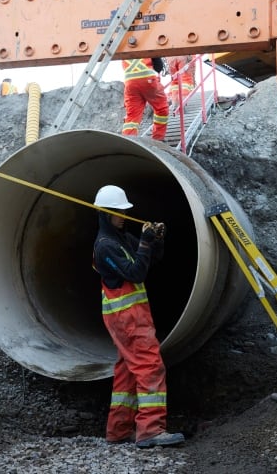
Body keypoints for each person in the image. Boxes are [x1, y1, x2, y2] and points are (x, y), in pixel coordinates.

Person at [91, 185, 185, 449]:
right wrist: (144, 242)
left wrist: (156, 241)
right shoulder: (105, 246)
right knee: (149, 366)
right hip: (126, 318)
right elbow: (135, 274)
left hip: (129, 316)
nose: (123, 216)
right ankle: (151, 430)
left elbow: (150, 260)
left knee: (128, 371)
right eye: (118, 212)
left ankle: (119, 429)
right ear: (106, 214)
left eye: (124, 211)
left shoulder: (121, 239)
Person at [121, 59, 169, 141]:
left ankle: (128, 141)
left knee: (132, 116)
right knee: (161, 109)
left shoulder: (126, 49)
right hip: (148, 81)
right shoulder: (149, 47)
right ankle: (158, 139)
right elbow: (158, 66)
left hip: (130, 84)